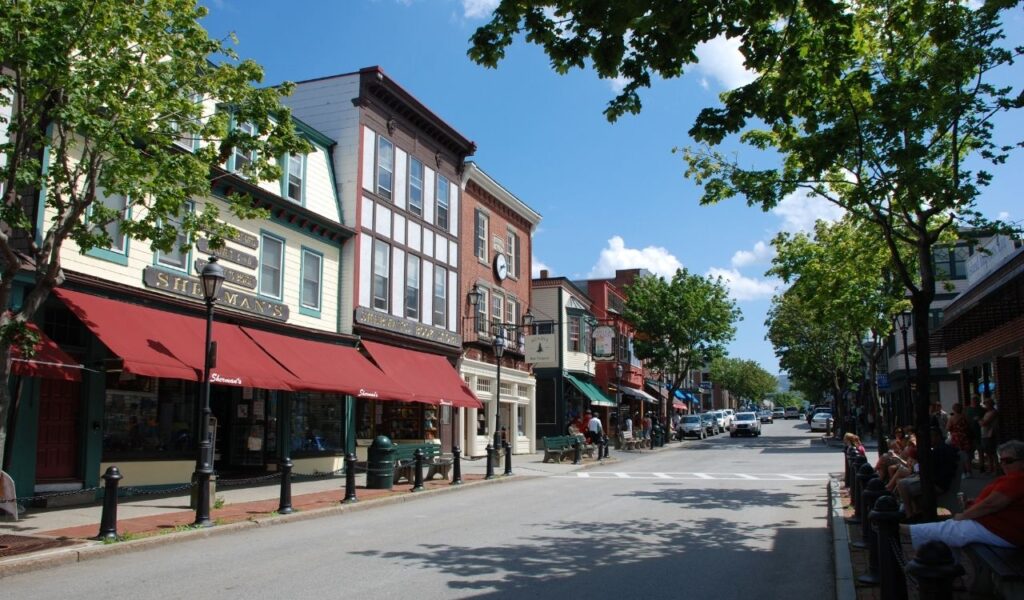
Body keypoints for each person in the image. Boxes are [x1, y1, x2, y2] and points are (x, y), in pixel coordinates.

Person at [906, 439, 1024, 550]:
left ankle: (905, 530)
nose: (1003, 465)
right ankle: (950, 565)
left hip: (1004, 530)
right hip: (998, 526)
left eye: (1008, 461)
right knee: (952, 532)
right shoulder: (1012, 478)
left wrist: (964, 515)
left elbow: (991, 504)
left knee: (952, 529)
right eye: (1001, 461)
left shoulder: (1017, 479)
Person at [897, 427, 960, 520]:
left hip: (937, 484)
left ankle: (910, 515)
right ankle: (917, 511)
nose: (929, 439)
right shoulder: (941, 449)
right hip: (938, 482)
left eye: (931, 437)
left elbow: (931, 470)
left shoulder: (939, 450)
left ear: (938, 437)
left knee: (902, 484)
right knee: (906, 481)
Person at [947, 402, 973, 478]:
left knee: (959, 455)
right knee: (967, 455)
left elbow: (948, 427)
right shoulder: (965, 417)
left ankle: (963, 472)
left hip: (957, 438)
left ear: (954, 409)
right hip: (965, 437)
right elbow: (969, 426)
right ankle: (969, 472)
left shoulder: (952, 418)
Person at [980, 397, 999, 474]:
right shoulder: (987, 413)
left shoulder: (993, 412)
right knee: (988, 453)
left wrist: (979, 420)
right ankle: (990, 468)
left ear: (991, 404)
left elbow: (984, 423)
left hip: (990, 435)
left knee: (992, 452)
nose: (985, 406)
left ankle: (997, 469)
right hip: (984, 434)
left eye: (987, 404)